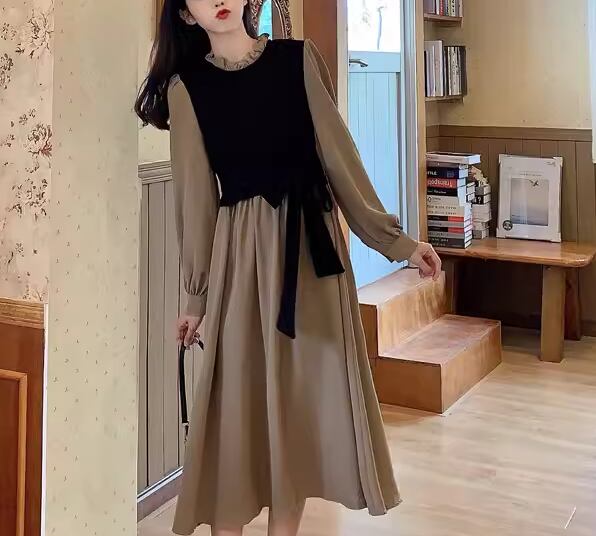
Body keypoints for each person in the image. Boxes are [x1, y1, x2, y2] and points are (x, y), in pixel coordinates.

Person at [135, 1, 441, 534]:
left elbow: (340, 159)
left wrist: (398, 243)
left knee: (299, 410)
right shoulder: (187, 90)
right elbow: (195, 201)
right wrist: (195, 298)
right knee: (236, 411)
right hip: (241, 261)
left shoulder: (297, 59)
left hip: (310, 259)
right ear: (184, 15)